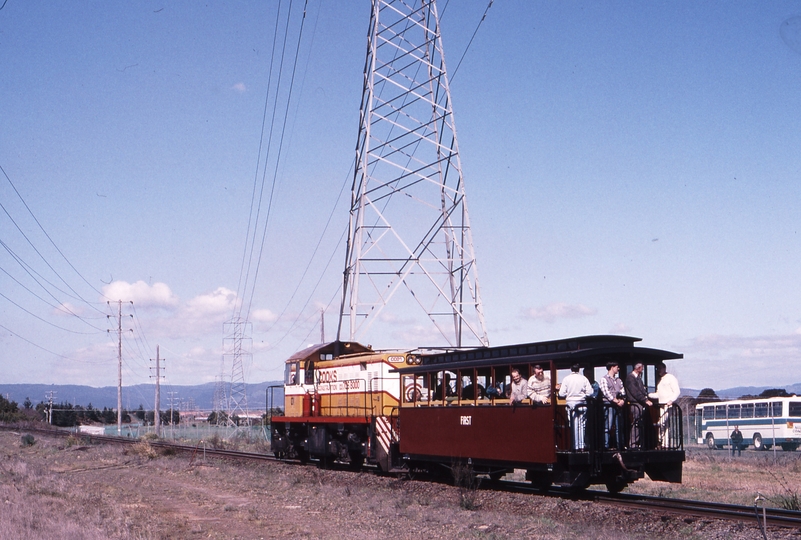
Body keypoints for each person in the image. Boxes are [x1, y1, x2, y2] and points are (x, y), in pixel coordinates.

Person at [558, 364, 593, 450]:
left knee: (574, 425)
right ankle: (581, 446)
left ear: (571, 369)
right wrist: (583, 395)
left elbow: (561, 393)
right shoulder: (583, 379)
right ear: (579, 369)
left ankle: (575, 445)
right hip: (582, 403)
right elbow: (590, 392)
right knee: (582, 425)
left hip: (571, 403)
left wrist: (568, 394)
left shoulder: (566, 379)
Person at [648, 363, 681, 447]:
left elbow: (677, 391)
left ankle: (660, 440)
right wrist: (647, 395)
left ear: (664, 368)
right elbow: (659, 394)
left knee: (662, 423)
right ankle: (665, 444)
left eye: (660, 368)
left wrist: (671, 400)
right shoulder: (660, 380)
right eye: (657, 369)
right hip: (661, 405)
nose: (658, 370)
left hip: (668, 405)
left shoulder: (670, 378)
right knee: (665, 425)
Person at [624, 363, 652, 448]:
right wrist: (645, 400)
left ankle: (638, 443)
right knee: (636, 423)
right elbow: (635, 392)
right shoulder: (630, 378)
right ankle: (633, 444)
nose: (642, 370)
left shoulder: (638, 378)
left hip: (640, 403)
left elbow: (642, 390)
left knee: (639, 423)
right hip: (635, 404)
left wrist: (647, 395)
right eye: (642, 368)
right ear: (638, 368)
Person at [600, 361, 625, 449]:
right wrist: (616, 400)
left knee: (619, 426)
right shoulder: (604, 379)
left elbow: (622, 391)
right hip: (608, 405)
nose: (618, 369)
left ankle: (620, 446)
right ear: (612, 367)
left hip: (617, 406)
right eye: (617, 367)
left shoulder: (619, 380)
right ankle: (606, 446)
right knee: (608, 426)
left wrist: (622, 400)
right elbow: (606, 392)